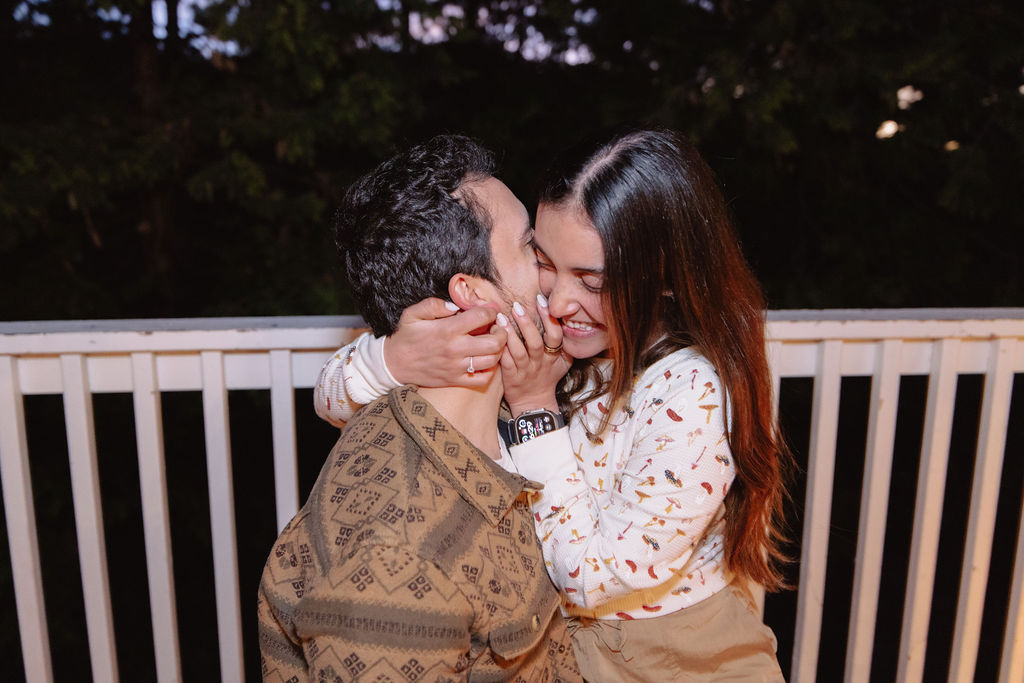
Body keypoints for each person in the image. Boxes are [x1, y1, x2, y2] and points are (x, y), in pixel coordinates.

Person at [315, 127, 789, 681]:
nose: (561, 301)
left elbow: (594, 578)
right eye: (543, 259)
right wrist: (400, 358)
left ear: (663, 276)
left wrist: (537, 410)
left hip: (677, 657)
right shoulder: (550, 329)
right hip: (564, 645)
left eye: (593, 279)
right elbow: (332, 397)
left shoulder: (695, 393)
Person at [257, 134, 581, 682]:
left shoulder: (515, 399)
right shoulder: (393, 560)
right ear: (473, 297)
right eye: (531, 248)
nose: (551, 266)